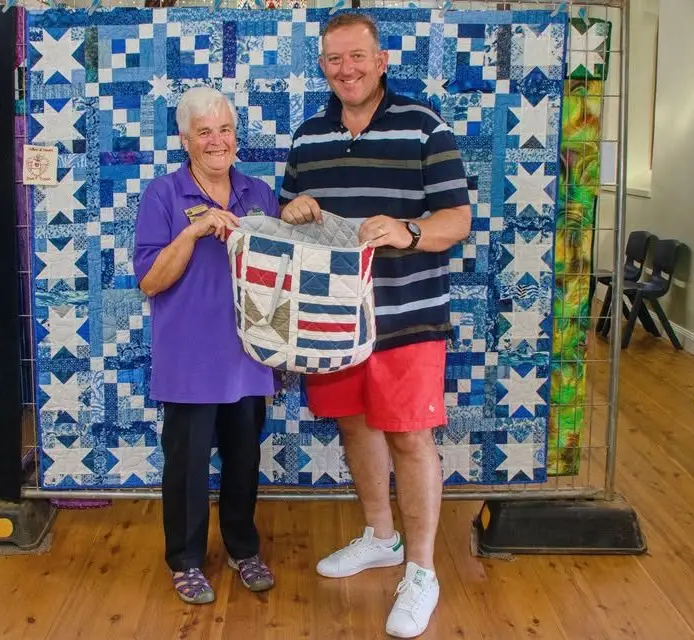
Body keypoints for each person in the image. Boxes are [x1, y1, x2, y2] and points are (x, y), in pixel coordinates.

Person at [278, 12, 472, 639]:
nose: (347, 70)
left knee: (410, 438)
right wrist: (296, 208)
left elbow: (458, 219)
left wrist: (410, 231)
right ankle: (381, 538)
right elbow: (288, 211)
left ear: (381, 59)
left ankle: (421, 571)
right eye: (334, 59)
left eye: (357, 57)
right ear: (322, 64)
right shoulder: (307, 138)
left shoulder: (424, 127)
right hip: (332, 322)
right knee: (356, 425)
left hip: (408, 318)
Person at [133, 85, 278, 605]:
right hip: (190, 360)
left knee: (243, 460)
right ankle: (186, 560)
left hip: (248, 357)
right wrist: (191, 235)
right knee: (188, 466)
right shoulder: (164, 196)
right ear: (185, 140)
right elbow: (150, 281)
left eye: (225, 129)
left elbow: (281, 273)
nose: (217, 141)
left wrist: (298, 217)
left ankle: (243, 548)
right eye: (204, 132)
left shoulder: (259, 193)